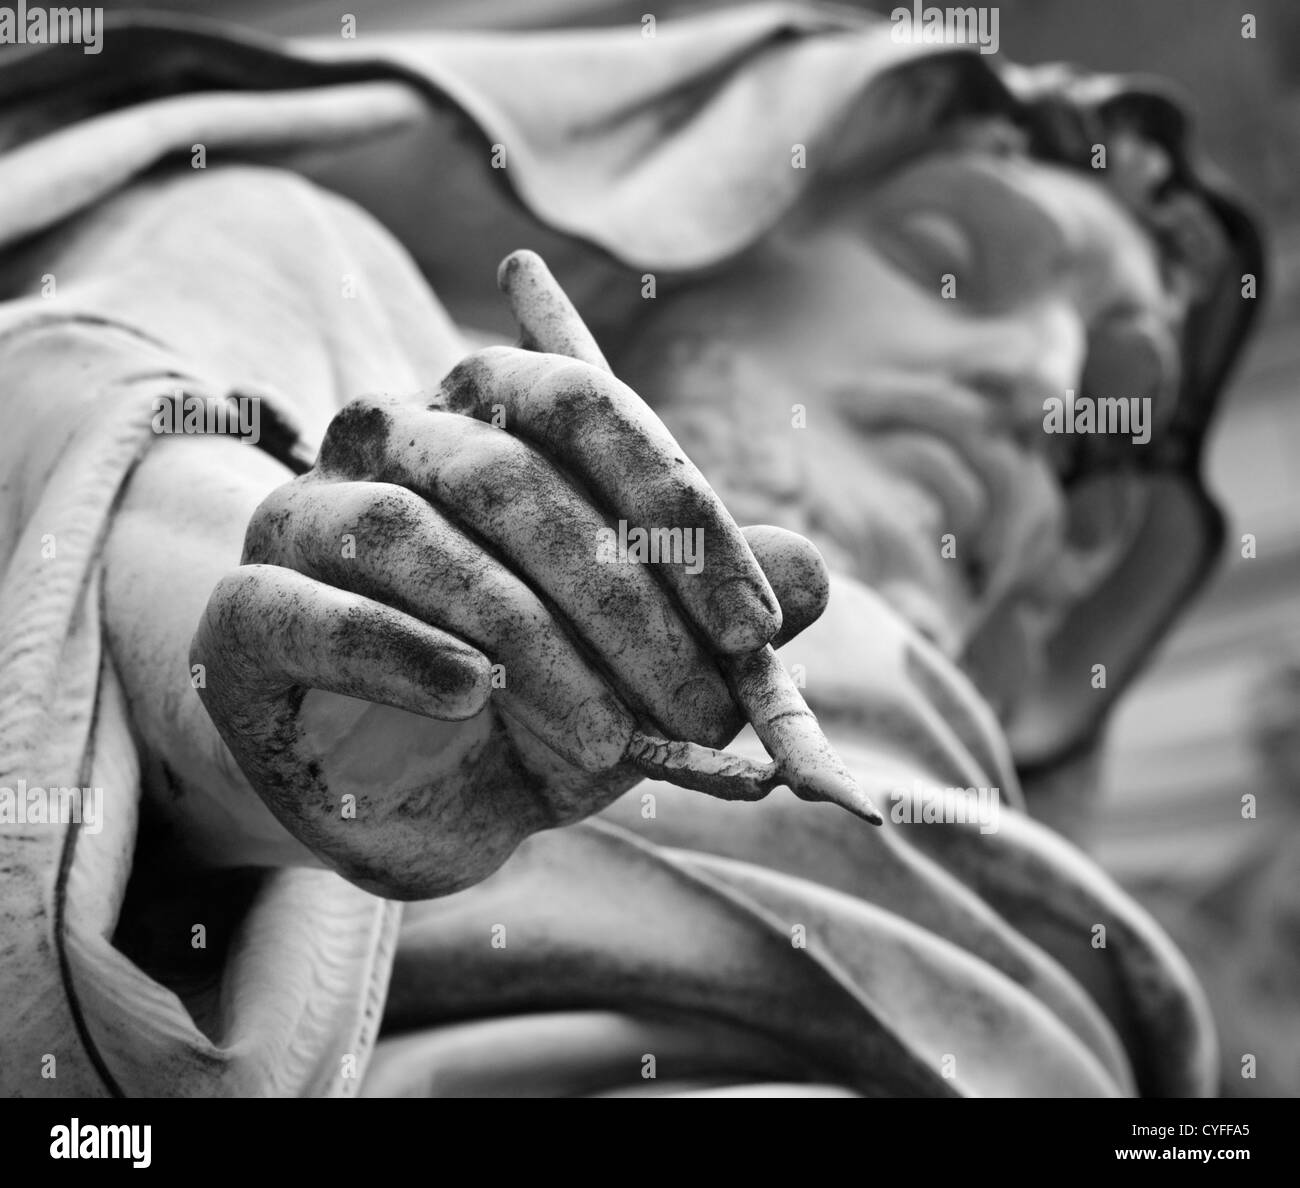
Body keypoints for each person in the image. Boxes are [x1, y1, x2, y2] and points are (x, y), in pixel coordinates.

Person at [0, 5, 1262, 1096]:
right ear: (692, 239)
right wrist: (316, 704)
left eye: (1100, 406)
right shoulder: (318, 265)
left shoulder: (1063, 927)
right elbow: (83, 472)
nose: (1039, 383)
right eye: (942, 257)